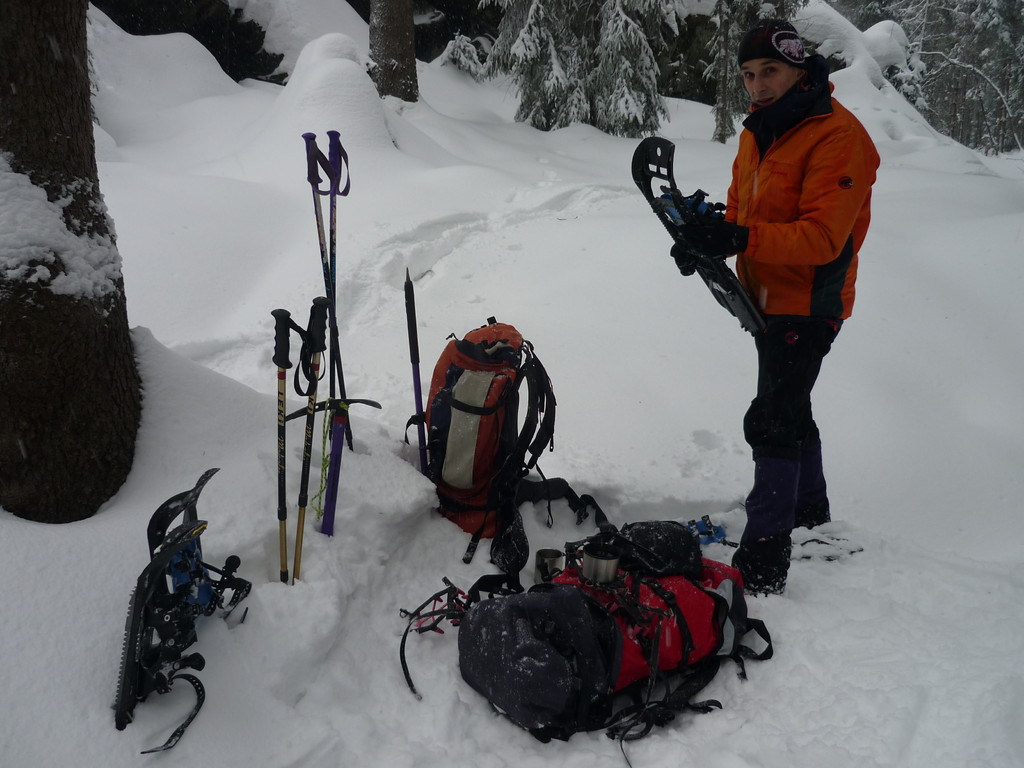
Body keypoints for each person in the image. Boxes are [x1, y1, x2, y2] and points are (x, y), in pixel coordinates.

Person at [671, 19, 880, 594]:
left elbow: (823, 239)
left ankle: (764, 557)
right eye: (747, 74)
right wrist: (707, 238)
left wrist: (740, 240)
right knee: (791, 404)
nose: (757, 85)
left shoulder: (838, 137)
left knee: (774, 416)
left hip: (811, 302)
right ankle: (810, 517)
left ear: (799, 69)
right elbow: (742, 212)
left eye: (770, 72)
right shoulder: (758, 132)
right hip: (763, 296)